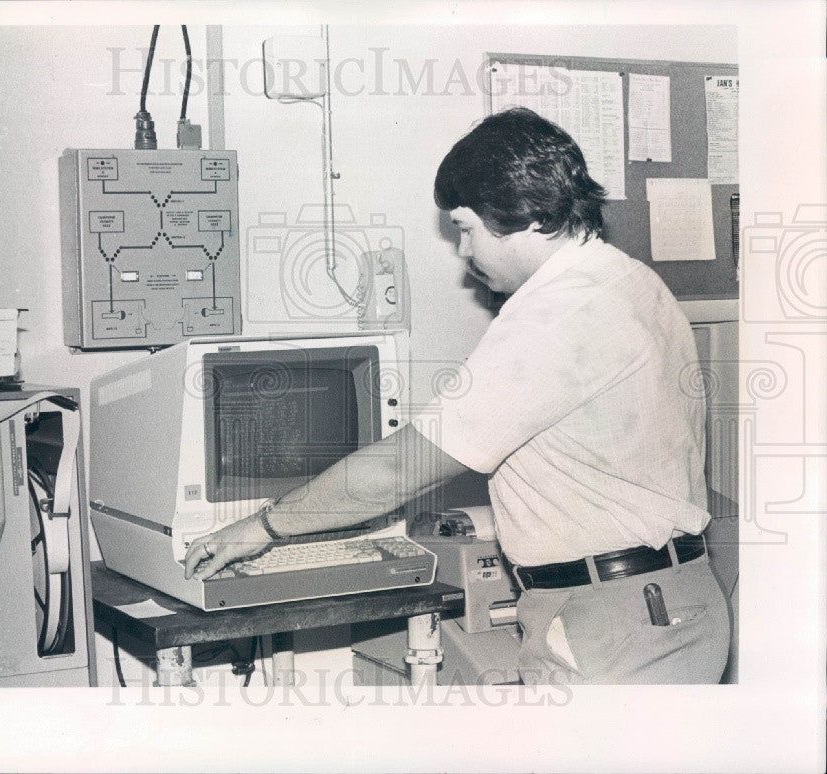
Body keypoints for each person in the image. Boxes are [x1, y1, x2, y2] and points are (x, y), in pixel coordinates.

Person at [185, 106, 731, 684]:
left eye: (465, 228)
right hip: (682, 600)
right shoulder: (631, 281)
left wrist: (261, 529)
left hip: (611, 621)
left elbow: (398, 470)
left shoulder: (554, 314)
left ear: (518, 213)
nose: (465, 253)